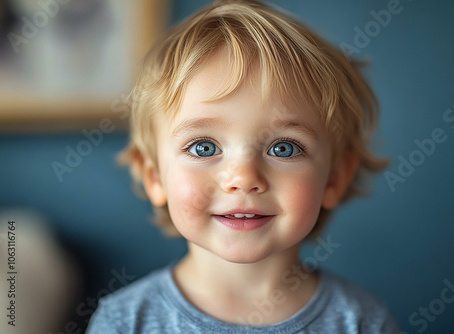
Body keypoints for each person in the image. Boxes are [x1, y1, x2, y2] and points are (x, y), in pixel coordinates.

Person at [86, 0, 400, 332]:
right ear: (154, 177)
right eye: (204, 147)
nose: (243, 178)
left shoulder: (362, 322)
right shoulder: (124, 323)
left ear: (336, 177)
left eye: (283, 147)